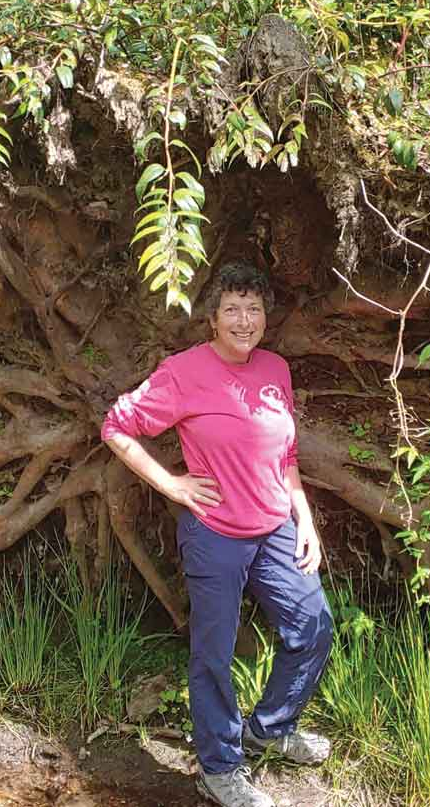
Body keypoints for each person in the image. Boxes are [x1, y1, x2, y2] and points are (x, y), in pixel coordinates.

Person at [101, 261, 333, 807]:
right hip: (214, 535)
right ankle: (220, 767)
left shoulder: (275, 368)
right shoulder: (184, 372)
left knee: (314, 625)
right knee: (214, 655)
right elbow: (116, 426)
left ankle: (270, 727)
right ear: (212, 318)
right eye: (232, 309)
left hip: (277, 526)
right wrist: (172, 485)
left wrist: (305, 519)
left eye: (253, 309)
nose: (244, 320)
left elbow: (288, 455)